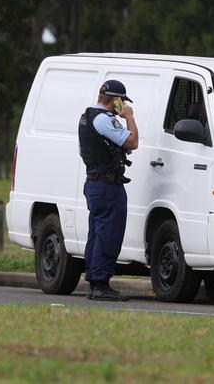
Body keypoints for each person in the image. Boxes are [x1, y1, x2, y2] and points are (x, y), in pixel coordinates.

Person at [78, 80, 139, 302]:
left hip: (94, 182)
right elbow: (132, 142)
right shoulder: (104, 120)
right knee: (109, 234)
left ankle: (95, 282)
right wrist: (129, 117)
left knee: (97, 233)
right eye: (121, 101)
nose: (122, 105)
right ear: (115, 99)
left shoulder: (87, 117)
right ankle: (101, 284)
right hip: (107, 186)